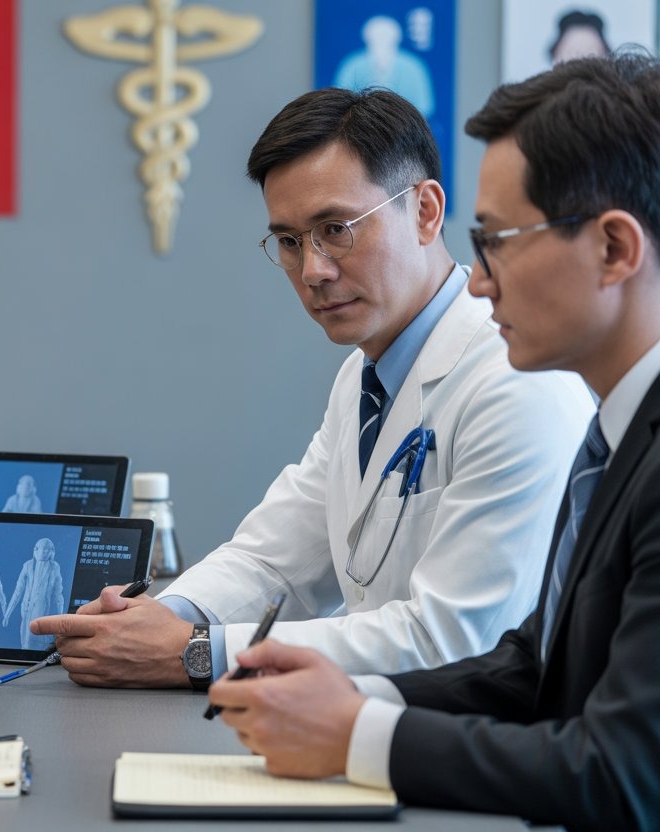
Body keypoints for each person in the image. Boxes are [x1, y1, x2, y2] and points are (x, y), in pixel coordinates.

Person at [206, 52, 660, 832]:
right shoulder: (616, 436)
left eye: (498, 242)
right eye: (289, 241)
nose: (478, 281)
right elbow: (535, 661)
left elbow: (623, 773)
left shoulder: (565, 409)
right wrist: (353, 692)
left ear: (614, 250)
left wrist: (356, 733)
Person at [32, 88, 594, 688]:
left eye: (336, 228)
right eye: (291, 241)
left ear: (426, 212)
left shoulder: (518, 381)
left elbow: (452, 641)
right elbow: (277, 560)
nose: (313, 271)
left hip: (462, 753)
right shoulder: (366, 375)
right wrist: (149, 621)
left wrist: (194, 651)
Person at [3, 538, 63, 650]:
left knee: (38, 643)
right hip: (26, 611)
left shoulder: (54, 567)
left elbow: (58, 594)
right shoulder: (28, 565)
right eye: (42, 548)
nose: (45, 551)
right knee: (25, 642)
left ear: (51, 552)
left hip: (43, 612)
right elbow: (18, 591)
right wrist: (7, 614)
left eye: (48, 549)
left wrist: (61, 618)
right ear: (36, 549)